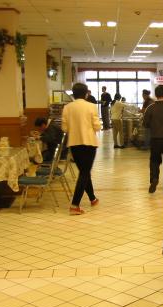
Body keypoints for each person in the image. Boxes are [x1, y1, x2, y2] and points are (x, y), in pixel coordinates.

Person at [62, 82, 101, 215]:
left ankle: (92, 198)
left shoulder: (67, 107)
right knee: (85, 172)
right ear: (86, 93)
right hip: (89, 143)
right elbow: (97, 126)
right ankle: (74, 205)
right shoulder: (91, 106)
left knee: (84, 171)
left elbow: (64, 128)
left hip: (74, 143)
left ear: (73, 93)